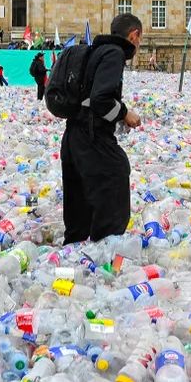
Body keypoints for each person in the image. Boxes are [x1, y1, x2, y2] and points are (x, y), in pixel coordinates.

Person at [60, 13, 143, 245]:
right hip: (92, 135)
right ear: (134, 35)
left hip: (73, 135)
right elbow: (100, 99)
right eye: (140, 39)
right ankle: (104, 248)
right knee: (116, 173)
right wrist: (125, 114)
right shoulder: (114, 54)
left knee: (79, 191)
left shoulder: (94, 50)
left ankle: (75, 249)